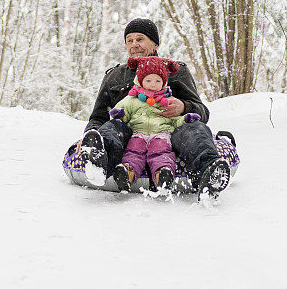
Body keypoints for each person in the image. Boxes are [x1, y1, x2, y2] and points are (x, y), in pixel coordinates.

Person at [78, 17, 231, 198]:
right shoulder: (114, 76)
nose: (134, 44)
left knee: (195, 129)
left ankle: (209, 172)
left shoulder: (176, 71)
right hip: (130, 135)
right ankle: (98, 160)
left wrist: (184, 106)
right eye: (130, 40)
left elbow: (202, 111)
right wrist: (91, 133)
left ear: (155, 44)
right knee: (112, 128)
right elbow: (98, 116)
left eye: (140, 39)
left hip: (169, 131)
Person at [108, 55, 202, 193]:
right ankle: (126, 174)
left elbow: (174, 120)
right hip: (137, 134)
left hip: (161, 135)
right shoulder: (132, 99)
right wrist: (119, 115)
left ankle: (163, 175)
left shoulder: (168, 101)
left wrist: (185, 119)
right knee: (133, 153)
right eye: (149, 80)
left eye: (158, 80)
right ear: (140, 81)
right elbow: (124, 114)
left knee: (161, 153)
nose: (153, 84)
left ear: (164, 83)